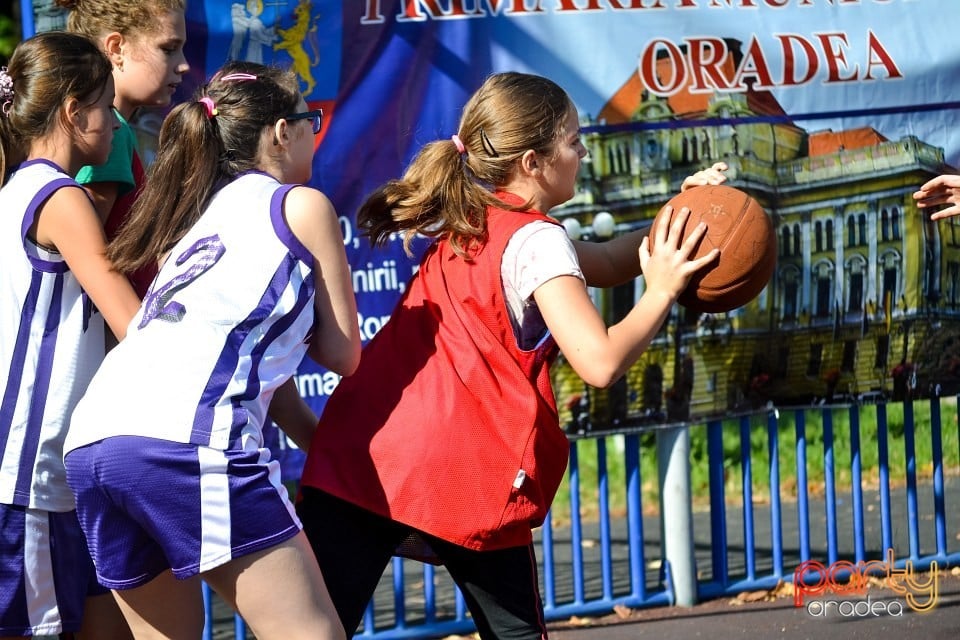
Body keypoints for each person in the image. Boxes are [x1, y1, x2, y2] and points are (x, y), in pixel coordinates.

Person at [295, 71, 727, 639]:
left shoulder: (479, 216)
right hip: (459, 468)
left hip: (363, 457)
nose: (582, 152)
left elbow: (609, 259)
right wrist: (663, 292)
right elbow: (598, 363)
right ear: (532, 161)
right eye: (573, 141)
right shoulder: (535, 239)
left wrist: (677, 219)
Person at [63, 60, 361, 640]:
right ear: (280, 132)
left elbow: (249, 368)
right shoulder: (301, 205)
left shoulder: (195, 222)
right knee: (312, 634)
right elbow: (343, 355)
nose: (313, 133)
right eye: (310, 120)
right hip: (186, 443)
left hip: (95, 444)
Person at [0, 31, 141, 639]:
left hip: (44, 470)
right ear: (71, 111)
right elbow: (131, 322)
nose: (113, 122)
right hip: (31, 473)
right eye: (105, 105)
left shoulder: (15, 193)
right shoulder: (62, 198)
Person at [57, 0, 190, 298]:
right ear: (116, 49)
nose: (184, 64)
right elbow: (86, 262)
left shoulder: (111, 131)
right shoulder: (110, 135)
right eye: (168, 48)